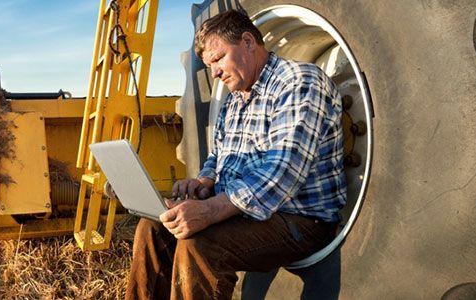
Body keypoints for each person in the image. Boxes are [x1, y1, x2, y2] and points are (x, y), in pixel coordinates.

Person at [125, 10, 346, 299]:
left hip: (300, 219)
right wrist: (204, 182)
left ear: (248, 42)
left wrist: (209, 210)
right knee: (152, 228)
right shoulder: (234, 101)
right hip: (250, 214)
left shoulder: (298, 81)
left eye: (218, 59)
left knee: (199, 244)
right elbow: (220, 155)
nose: (214, 72)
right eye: (210, 64)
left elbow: (282, 172)